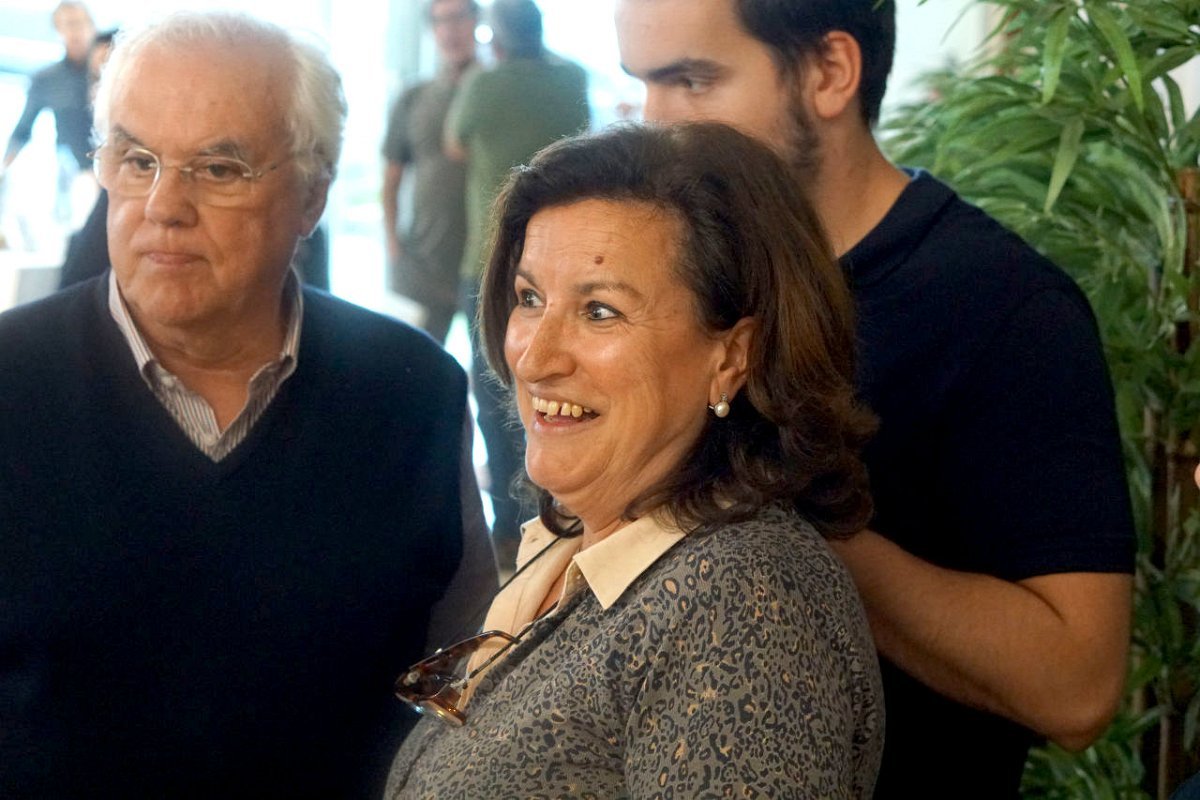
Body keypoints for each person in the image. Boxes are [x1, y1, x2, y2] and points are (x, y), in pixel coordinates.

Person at [615, 1, 1136, 796]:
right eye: (642, 84)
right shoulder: (673, 276)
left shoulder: (1003, 308)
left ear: (830, 72)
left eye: (692, 81)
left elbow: (1076, 685)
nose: (657, 123)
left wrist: (780, 514)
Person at [0, 12, 496, 799]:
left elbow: (465, 684)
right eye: (137, 160)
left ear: (312, 197)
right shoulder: (13, 383)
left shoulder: (410, 393)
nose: (164, 204)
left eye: (219, 168)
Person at [386, 121, 884, 797]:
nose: (534, 357)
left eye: (599, 311)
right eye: (530, 299)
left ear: (732, 357)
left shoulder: (745, 605)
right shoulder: (572, 547)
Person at [445, 0, 590, 567]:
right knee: (563, 394)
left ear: (495, 38)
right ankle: (562, 517)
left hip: (492, 260)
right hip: (567, 262)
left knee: (495, 396)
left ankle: (509, 528)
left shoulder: (484, 84)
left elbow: (455, 144)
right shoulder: (571, 77)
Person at [381, 0, 479, 344]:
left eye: (458, 18)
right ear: (432, 30)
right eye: (441, 21)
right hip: (421, 266)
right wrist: (393, 247)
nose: (450, 30)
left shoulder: (496, 95)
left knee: (491, 373)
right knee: (406, 363)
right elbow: (391, 180)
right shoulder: (413, 97)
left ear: (476, 21)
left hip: (483, 266)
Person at [1, 2, 96, 224]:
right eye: (67, 25)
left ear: (91, 26)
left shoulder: (109, 69)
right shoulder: (46, 79)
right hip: (71, 171)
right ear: (58, 31)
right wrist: (3, 169)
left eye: (79, 23)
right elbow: (23, 130)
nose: (75, 32)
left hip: (110, 169)